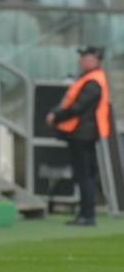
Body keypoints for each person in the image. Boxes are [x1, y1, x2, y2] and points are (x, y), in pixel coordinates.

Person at [46, 46, 109, 226]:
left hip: (83, 134)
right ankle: (85, 213)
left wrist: (56, 116)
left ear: (94, 61)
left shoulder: (93, 81)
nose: (81, 61)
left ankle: (87, 215)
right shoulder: (89, 78)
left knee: (84, 175)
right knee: (83, 175)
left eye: (85, 57)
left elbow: (77, 107)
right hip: (82, 134)